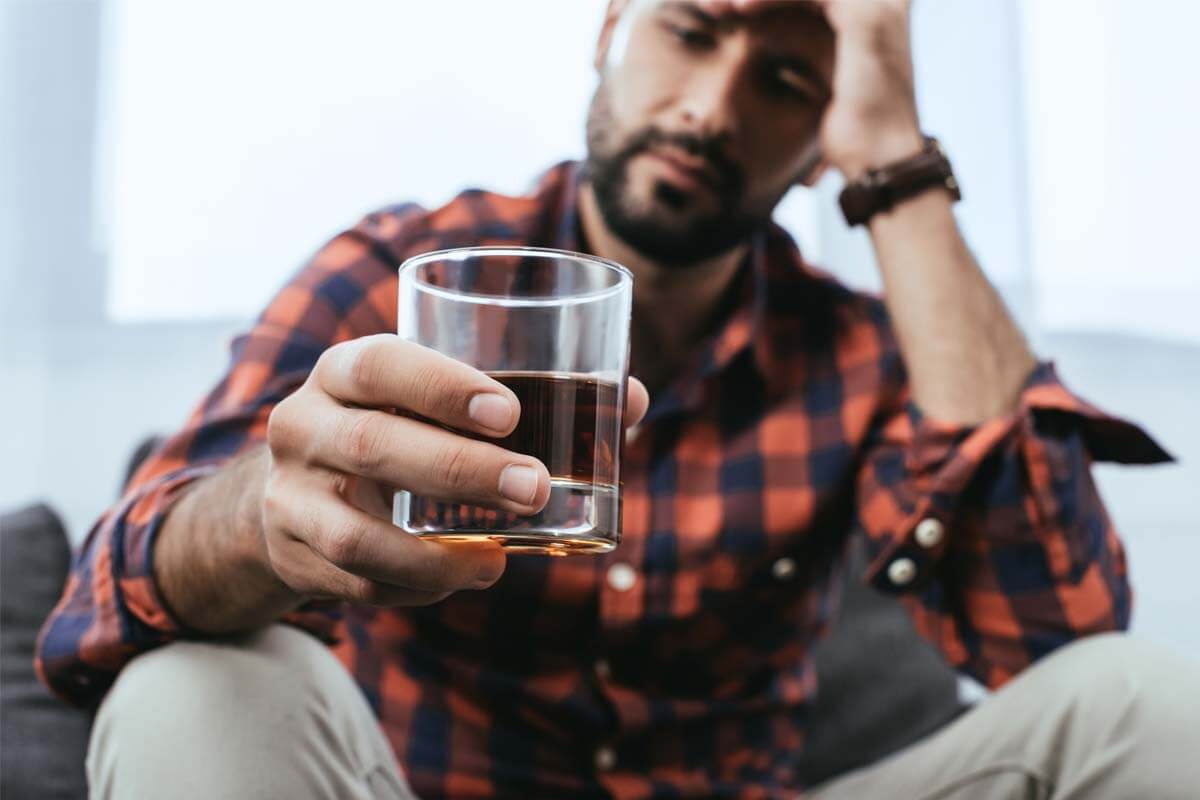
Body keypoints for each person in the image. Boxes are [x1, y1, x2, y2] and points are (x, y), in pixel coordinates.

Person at [36, 1, 1200, 798]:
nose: (710, 106)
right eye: (689, 31)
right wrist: (262, 523)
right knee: (198, 677)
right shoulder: (402, 275)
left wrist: (894, 156)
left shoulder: (867, 349)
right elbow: (93, 607)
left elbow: (1056, 641)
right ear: (608, 29)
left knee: (1137, 701)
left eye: (786, 81)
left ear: (819, 147)